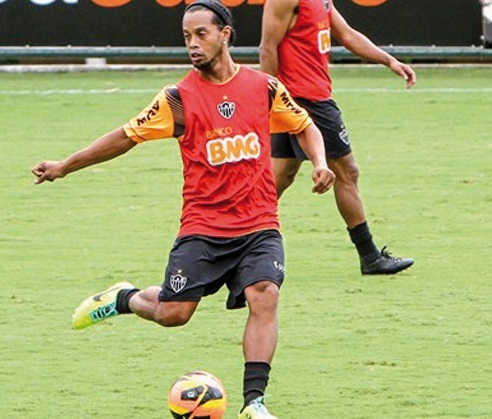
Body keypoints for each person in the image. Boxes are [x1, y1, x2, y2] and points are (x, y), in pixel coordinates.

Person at [32, 1, 335, 417]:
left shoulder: (264, 88)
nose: (193, 45)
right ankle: (123, 298)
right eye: (187, 37)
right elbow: (125, 136)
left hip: (260, 223)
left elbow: (304, 125)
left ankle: (255, 403)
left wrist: (319, 163)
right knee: (174, 314)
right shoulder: (178, 100)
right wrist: (65, 165)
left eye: (201, 34)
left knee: (264, 295)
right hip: (204, 228)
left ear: (225, 34)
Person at [260, 0, 416, 275]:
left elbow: (346, 34)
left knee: (278, 178)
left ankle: (230, 242)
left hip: (300, 98)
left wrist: (388, 60)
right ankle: (370, 257)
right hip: (307, 101)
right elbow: (268, 48)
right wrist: (271, 100)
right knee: (347, 171)